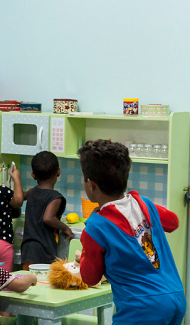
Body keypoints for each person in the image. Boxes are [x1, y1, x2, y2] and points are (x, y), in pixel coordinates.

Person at [78, 139, 185, 325]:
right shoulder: (145, 204)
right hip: (175, 298)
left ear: (91, 185)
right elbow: (173, 222)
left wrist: (84, 257)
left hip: (142, 308)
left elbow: (90, 278)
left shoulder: (95, 226)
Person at [21, 151, 73, 270]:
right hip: (43, 250)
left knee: (30, 285)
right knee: (42, 284)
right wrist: (65, 228)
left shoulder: (31, 192)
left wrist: (16, 180)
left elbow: (20, 197)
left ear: (33, 175)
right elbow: (48, 218)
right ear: (58, 172)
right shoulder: (55, 197)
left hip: (28, 249)